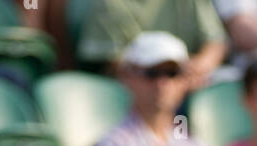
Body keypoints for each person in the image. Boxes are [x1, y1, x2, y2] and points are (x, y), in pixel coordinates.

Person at [79, 30, 228, 146]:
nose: (162, 83)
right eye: (152, 73)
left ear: (185, 80)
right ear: (127, 77)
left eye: (172, 73)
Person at [77, 0, 228, 87]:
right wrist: (166, 74)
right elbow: (113, 63)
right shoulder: (110, 4)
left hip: (188, 86)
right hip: (138, 92)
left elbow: (215, 41)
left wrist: (197, 68)